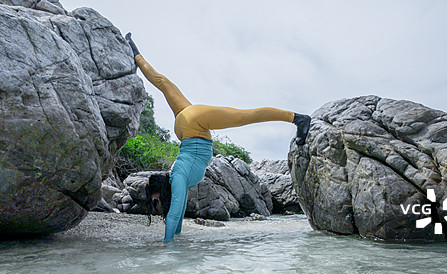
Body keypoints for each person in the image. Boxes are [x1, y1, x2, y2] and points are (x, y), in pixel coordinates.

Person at [125, 33, 311, 242]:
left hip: (192, 126)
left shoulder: (178, 177)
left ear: (160, 188)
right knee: (163, 83)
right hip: (187, 123)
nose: (155, 200)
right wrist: (175, 237)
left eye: (154, 196)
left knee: (245, 116)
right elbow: (178, 210)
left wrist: (167, 248)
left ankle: (298, 119)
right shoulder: (179, 179)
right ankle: (136, 53)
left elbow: (175, 213)